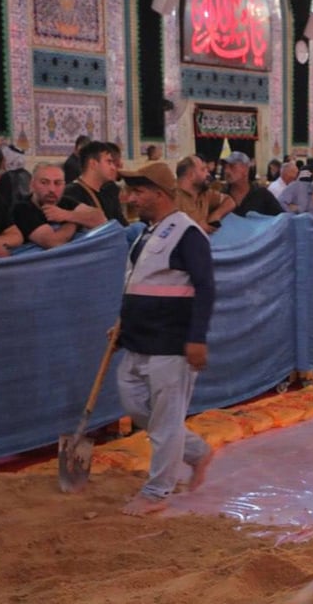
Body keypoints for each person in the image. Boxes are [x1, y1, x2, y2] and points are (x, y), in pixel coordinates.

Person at [113, 161, 217, 516]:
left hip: (171, 343)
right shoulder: (145, 233)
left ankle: (157, 491)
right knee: (135, 404)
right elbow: (137, 285)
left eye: (137, 191)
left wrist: (197, 338)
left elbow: (205, 287)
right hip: (136, 339)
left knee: (166, 420)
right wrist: (121, 324)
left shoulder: (187, 234)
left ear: (158, 194)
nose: (130, 197)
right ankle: (195, 452)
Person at [49, 140, 127, 228]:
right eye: (109, 162)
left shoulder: (108, 191)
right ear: (93, 164)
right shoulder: (70, 194)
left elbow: (122, 225)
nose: (113, 167)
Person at [10, 163, 81, 248]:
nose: (52, 189)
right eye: (44, 183)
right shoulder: (21, 208)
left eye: (58, 183)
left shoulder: (66, 202)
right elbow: (53, 242)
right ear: (32, 184)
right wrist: (73, 222)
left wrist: (68, 215)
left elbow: (98, 218)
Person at [217, 151, 283, 218]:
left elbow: (282, 219)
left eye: (232, 166)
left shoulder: (262, 195)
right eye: (225, 167)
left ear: (246, 169)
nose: (226, 171)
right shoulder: (220, 197)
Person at [175, 154, 228, 232]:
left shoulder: (205, 193)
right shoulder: (171, 198)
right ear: (191, 175)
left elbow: (229, 201)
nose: (208, 174)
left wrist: (216, 214)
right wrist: (195, 228)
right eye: (203, 170)